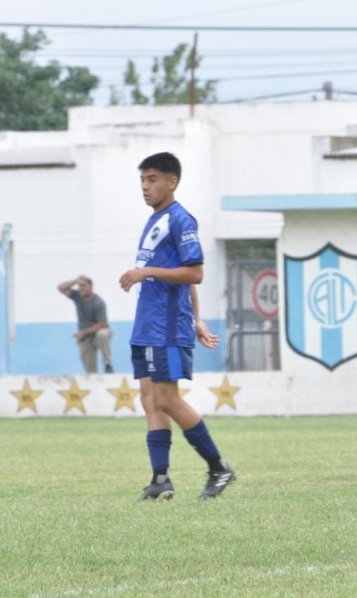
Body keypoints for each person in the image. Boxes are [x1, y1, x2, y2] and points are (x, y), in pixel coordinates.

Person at [119, 152, 235, 501]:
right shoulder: (155, 219)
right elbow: (188, 284)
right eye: (142, 179)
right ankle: (160, 479)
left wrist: (147, 272)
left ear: (172, 181)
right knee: (149, 400)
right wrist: (198, 318)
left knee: (167, 400)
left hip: (166, 328)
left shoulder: (181, 220)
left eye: (152, 179)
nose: (145, 186)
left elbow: (194, 273)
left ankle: (219, 468)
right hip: (147, 326)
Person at [57, 276, 114, 373]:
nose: (81, 288)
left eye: (83, 286)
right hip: (86, 338)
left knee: (103, 334)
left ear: (91, 287)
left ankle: (107, 364)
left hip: (97, 334)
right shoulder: (77, 296)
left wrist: (83, 332)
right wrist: (75, 280)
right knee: (90, 372)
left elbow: (102, 324)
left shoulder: (98, 302)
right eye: (79, 286)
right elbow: (60, 288)